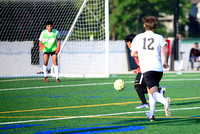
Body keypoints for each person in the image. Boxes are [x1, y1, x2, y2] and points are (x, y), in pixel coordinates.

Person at [130, 16, 170, 121]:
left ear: (144, 25)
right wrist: (166, 61)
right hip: (158, 69)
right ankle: (151, 115)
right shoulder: (159, 37)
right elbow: (166, 49)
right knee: (151, 89)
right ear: (155, 26)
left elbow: (133, 53)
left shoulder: (138, 37)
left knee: (153, 92)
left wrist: (143, 55)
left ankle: (164, 101)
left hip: (147, 69)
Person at [125, 33, 166, 109]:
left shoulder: (136, 49)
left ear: (130, 42)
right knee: (145, 89)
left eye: (127, 43)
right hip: (145, 69)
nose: (128, 45)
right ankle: (159, 90)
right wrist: (137, 69)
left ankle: (145, 103)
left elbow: (140, 57)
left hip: (145, 69)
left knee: (137, 85)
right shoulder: (138, 48)